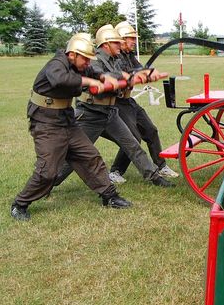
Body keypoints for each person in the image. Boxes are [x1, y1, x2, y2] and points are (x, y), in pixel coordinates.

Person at [11, 33, 132, 221]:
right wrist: (89, 82)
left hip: (67, 120)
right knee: (47, 171)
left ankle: (110, 196)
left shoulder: (80, 65)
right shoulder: (56, 64)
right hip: (46, 122)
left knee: (90, 157)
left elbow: (95, 73)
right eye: (84, 58)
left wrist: (111, 77)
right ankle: (20, 204)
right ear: (72, 54)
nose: (87, 63)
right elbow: (60, 80)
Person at [52, 25, 174, 189]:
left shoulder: (115, 60)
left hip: (110, 113)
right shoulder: (94, 59)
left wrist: (144, 75)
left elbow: (129, 73)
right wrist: (126, 77)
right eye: (116, 42)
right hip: (90, 115)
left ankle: (154, 176)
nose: (120, 45)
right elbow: (103, 77)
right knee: (76, 156)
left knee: (133, 145)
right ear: (106, 44)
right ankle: (50, 182)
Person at [108, 21, 178, 184]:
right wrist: (141, 74)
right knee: (133, 137)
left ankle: (161, 166)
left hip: (128, 100)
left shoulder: (129, 55)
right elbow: (125, 74)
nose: (134, 41)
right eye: (131, 38)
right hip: (117, 102)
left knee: (151, 131)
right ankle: (116, 171)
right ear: (122, 39)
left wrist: (151, 73)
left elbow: (140, 69)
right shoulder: (115, 57)